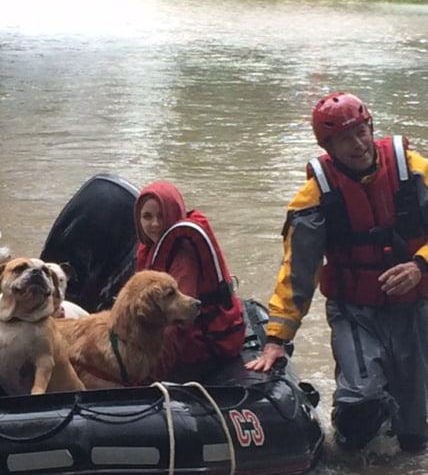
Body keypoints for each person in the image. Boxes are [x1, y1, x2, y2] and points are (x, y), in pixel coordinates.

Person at [246, 92, 428, 453]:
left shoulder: (414, 170)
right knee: (361, 401)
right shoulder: (314, 197)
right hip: (354, 311)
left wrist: (420, 265)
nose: (358, 144)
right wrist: (276, 339)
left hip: (414, 306)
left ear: (371, 127)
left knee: (415, 435)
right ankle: (349, 440)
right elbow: (296, 272)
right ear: (327, 146)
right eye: (345, 138)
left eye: (362, 132)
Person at [134, 181, 245, 376]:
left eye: (162, 215)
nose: (154, 224)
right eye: (147, 216)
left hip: (202, 341)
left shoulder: (183, 252)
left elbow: (181, 321)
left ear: (173, 213)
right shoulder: (153, 244)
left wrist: (146, 374)